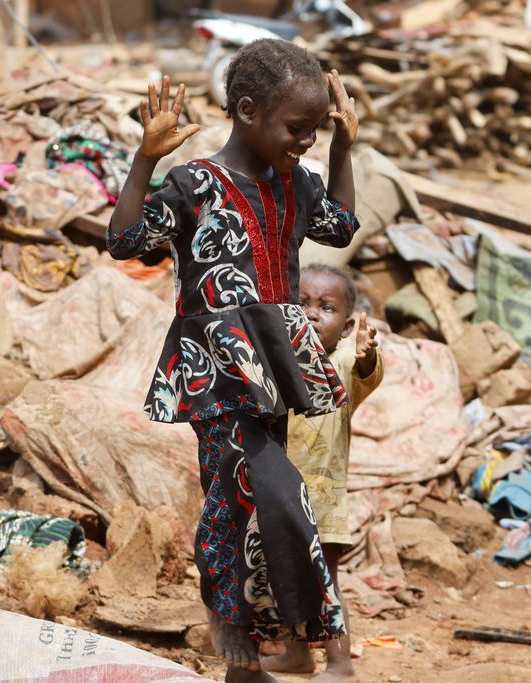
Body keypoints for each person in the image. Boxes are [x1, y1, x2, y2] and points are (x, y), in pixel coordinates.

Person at [106, 38, 361, 683]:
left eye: (313, 129)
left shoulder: (295, 183)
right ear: (247, 111)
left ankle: (259, 649)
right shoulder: (194, 184)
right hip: (218, 367)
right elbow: (125, 241)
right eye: (297, 128)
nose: (304, 141)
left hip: (277, 367)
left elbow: (339, 227)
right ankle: (282, 646)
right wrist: (145, 159)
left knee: (240, 505)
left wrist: (342, 148)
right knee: (268, 494)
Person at [261, 264, 383, 682]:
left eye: (326, 308)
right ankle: (297, 656)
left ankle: (341, 665)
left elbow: (366, 368)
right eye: (301, 303)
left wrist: (367, 355)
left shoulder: (344, 363)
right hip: (280, 497)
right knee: (287, 579)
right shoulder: (277, 359)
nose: (311, 314)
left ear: (347, 325)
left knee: (324, 583)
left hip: (322, 501)